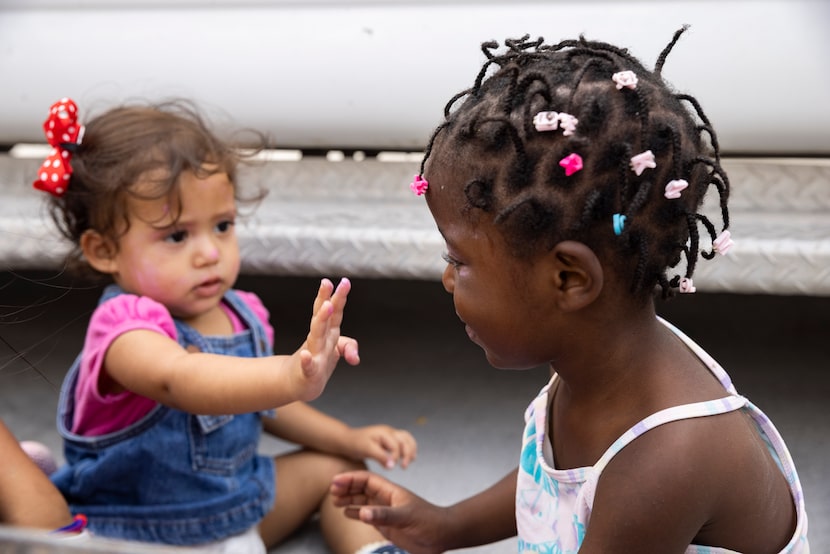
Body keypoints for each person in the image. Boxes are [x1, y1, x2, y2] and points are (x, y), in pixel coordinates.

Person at [330, 29, 809, 553]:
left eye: (458, 260)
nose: (447, 278)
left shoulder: (667, 459)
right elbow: (553, 481)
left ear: (568, 279)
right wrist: (447, 525)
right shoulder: (603, 360)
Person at [34, 98, 417, 554]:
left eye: (222, 226)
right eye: (177, 235)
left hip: (235, 511)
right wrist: (293, 372)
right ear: (103, 251)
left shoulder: (242, 311)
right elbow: (181, 380)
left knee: (344, 471)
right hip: (139, 534)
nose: (210, 252)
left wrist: (346, 435)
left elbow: (264, 401)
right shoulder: (124, 328)